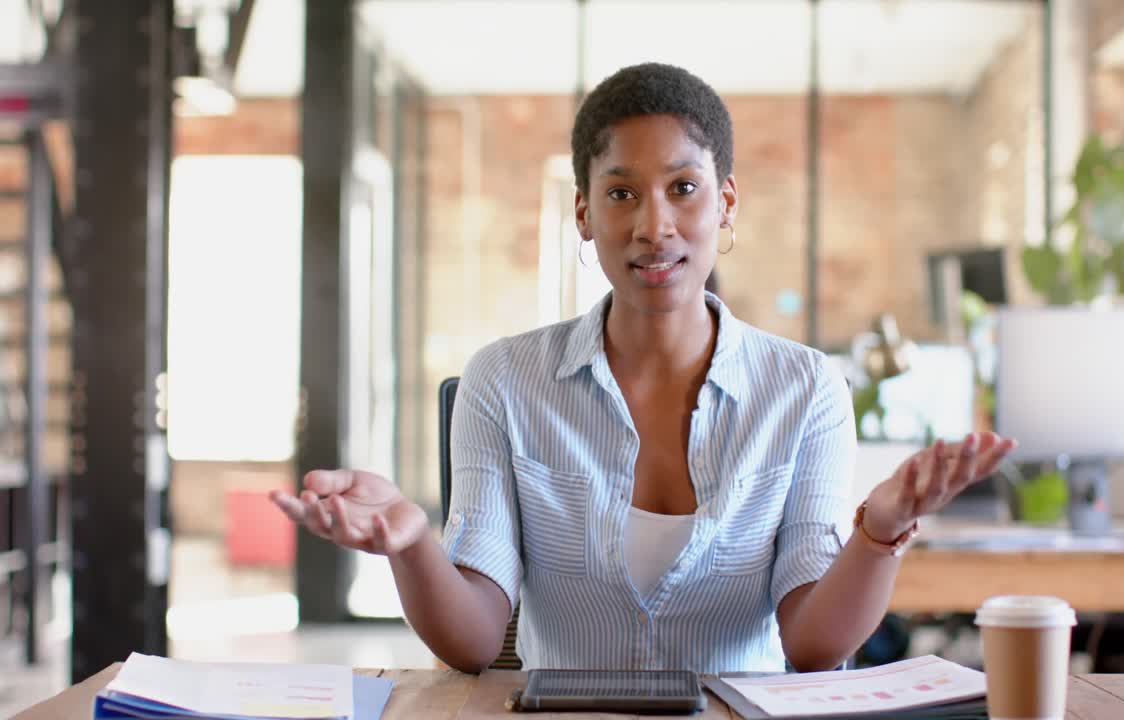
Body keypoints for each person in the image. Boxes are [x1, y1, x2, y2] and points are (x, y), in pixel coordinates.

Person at [271, 62, 1015, 675]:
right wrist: (411, 546)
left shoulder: (807, 389)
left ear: (726, 204)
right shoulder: (503, 381)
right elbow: (473, 643)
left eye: (683, 189)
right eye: (621, 193)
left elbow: (813, 646)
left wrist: (880, 533)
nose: (654, 226)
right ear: (584, 214)